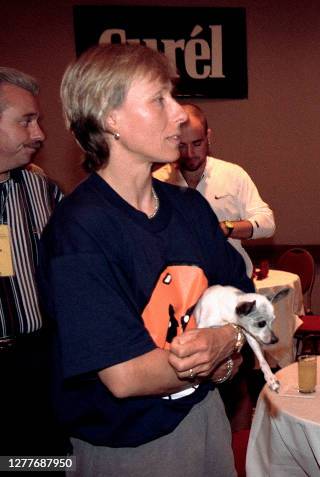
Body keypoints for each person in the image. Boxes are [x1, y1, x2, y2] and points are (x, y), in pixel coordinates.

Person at [38, 44, 253, 476]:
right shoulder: (79, 228)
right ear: (110, 118)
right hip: (129, 445)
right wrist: (224, 352)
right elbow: (126, 375)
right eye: (159, 99)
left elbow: (249, 308)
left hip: (206, 416)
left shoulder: (189, 207)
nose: (179, 114)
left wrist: (227, 342)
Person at [0, 67, 65, 455]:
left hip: (37, 362)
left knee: (43, 462)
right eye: (26, 121)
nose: (39, 134)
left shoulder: (42, 188)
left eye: (38, 120)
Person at [154, 104, 275, 278]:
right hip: (181, 289)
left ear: (208, 137)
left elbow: (267, 223)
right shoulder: (157, 181)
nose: (189, 153)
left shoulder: (232, 174)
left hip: (233, 285)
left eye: (197, 143)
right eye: (182, 145)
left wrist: (226, 228)